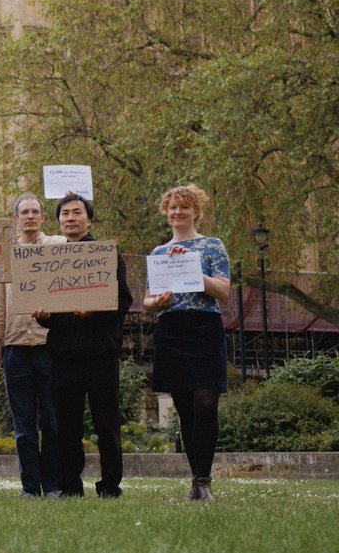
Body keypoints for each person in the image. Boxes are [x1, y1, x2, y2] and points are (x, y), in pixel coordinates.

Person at [35, 193, 133, 499]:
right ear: (59, 221)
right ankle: (69, 486)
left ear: (88, 220)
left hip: (101, 352)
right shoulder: (50, 259)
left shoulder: (106, 254)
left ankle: (110, 486)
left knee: (106, 424)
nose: (70, 218)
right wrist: (43, 316)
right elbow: (47, 309)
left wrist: (94, 310)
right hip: (63, 353)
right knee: (66, 426)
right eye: (64, 214)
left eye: (77, 213)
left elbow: (123, 300)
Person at [142, 185, 230, 501]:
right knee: (185, 409)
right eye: (172, 208)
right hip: (172, 329)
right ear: (167, 213)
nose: (177, 212)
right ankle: (197, 480)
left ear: (196, 211)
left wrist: (193, 267)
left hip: (204, 328)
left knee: (206, 403)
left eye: (184, 207)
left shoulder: (212, 246)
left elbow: (222, 290)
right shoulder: (158, 254)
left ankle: (204, 481)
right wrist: (156, 302)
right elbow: (148, 300)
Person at [0, 193, 64, 498]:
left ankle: (54, 485)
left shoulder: (56, 247)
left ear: (43, 217)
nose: (30, 217)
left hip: (50, 345)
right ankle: (29, 488)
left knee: (53, 420)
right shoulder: (4, 254)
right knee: (23, 425)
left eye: (35, 212)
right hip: (15, 345)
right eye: (24, 212)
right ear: (16, 219)